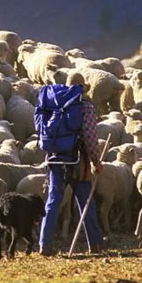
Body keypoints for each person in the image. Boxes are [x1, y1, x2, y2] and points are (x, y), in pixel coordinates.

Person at [38, 75, 104, 255]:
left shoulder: (53, 105)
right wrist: (96, 161)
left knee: (52, 201)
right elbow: (90, 137)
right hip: (78, 162)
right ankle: (96, 244)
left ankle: (44, 245)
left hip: (54, 159)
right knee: (86, 201)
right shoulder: (85, 107)